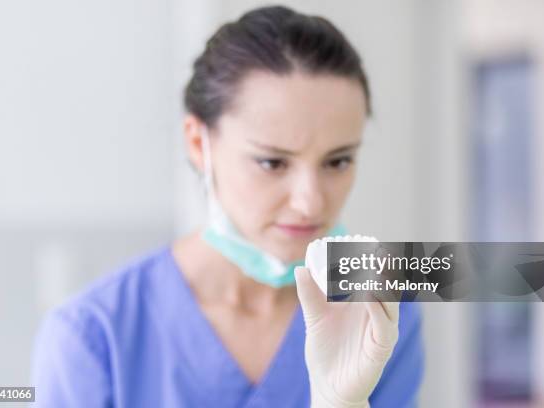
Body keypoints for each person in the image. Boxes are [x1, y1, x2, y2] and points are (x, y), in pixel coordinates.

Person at [31, 6, 424, 407]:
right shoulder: (93, 336)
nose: (310, 202)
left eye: (338, 161)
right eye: (272, 162)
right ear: (199, 144)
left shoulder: (381, 310)